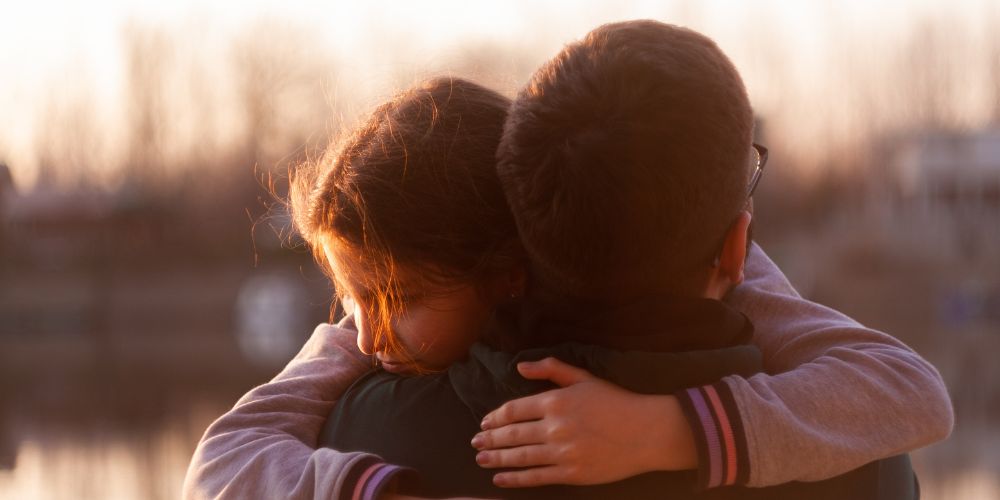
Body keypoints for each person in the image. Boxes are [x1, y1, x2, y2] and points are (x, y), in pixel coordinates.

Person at [182, 22, 953, 500]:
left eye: (397, 297)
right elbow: (910, 390)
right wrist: (675, 432)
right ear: (734, 245)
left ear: (508, 264)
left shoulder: (364, 427)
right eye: (355, 302)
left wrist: (664, 430)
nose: (365, 332)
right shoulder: (868, 460)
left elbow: (220, 464)